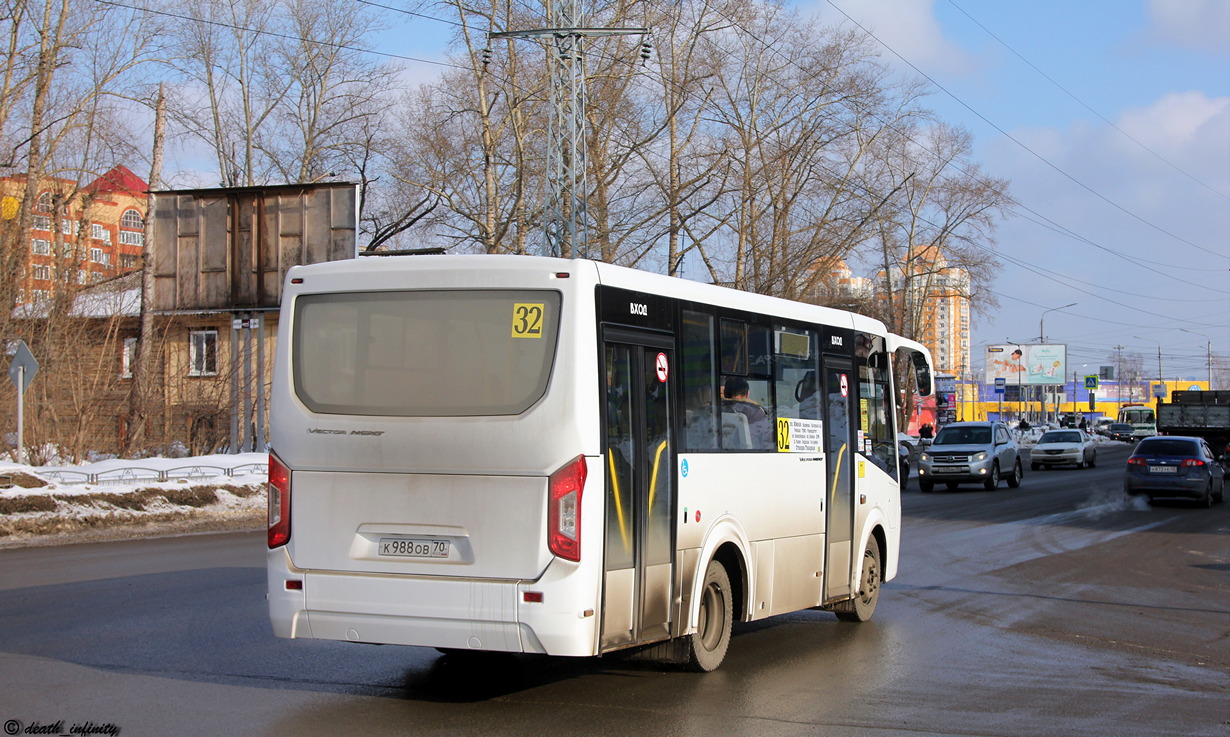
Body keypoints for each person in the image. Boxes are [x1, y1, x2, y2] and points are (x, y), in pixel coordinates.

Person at [722, 376, 772, 449]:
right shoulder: (755, 411)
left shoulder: (713, 409)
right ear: (747, 394)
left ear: (724, 393)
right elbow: (766, 441)